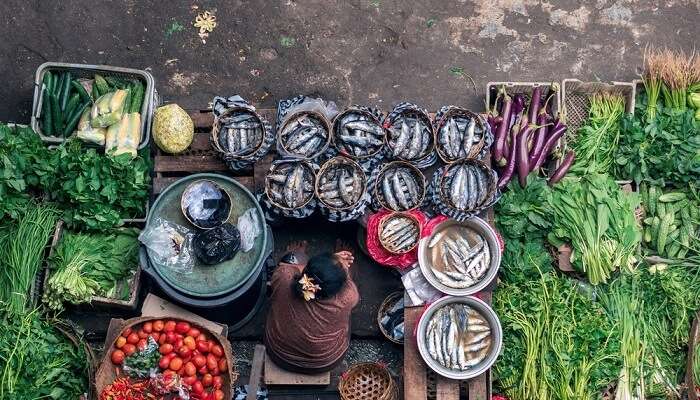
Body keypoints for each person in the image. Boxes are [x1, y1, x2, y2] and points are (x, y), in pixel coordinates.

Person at [264, 240, 359, 373]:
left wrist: (300, 259)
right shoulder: (347, 297)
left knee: (293, 257)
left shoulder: (284, 276)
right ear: (336, 289)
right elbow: (347, 283)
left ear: (305, 271)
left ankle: (300, 255)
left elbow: (285, 265)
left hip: (278, 354)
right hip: (325, 362)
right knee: (346, 313)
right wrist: (342, 266)